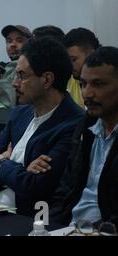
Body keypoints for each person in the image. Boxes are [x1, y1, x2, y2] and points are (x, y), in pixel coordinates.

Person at [0, 36, 84, 216]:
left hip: (24, 220)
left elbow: (36, 186)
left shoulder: (73, 124)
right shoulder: (19, 114)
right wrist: (21, 169)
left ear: (47, 80)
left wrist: (2, 163)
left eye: (22, 76)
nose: (14, 83)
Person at [49, 47, 118, 228]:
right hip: (71, 227)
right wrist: (48, 228)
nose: (87, 93)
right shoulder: (86, 126)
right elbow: (65, 190)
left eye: (98, 84)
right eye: (83, 84)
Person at [63, 28, 100, 108]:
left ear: (91, 54)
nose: (69, 65)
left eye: (73, 59)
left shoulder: (111, 81)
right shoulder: (69, 81)